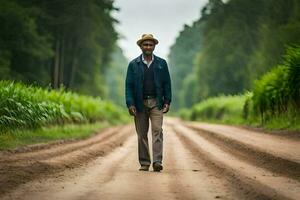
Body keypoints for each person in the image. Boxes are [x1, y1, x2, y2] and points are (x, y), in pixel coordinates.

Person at [125, 34, 172, 172]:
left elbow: (167, 83)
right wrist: (130, 104)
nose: (148, 47)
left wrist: (167, 101)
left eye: (150, 45)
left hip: (157, 102)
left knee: (157, 130)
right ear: (140, 46)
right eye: (145, 44)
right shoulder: (133, 65)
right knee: (142, 134)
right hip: (139, 104)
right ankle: (145, 162)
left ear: (154, 46)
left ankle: (157, 161)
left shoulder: (161, 64)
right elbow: (128, 86)